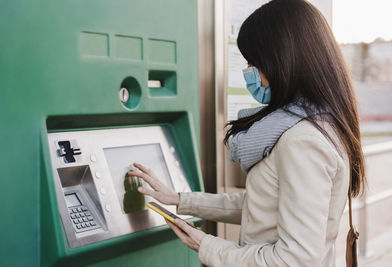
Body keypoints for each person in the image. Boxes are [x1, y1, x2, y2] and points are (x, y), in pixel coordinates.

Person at [128, 0, 366, 266]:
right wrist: (181, 200)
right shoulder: (316, 124)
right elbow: (264, 205)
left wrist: (205, 244)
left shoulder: (302, 140)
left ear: (282, 60)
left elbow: (295, 260)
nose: (250, 73)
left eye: (254, 62)